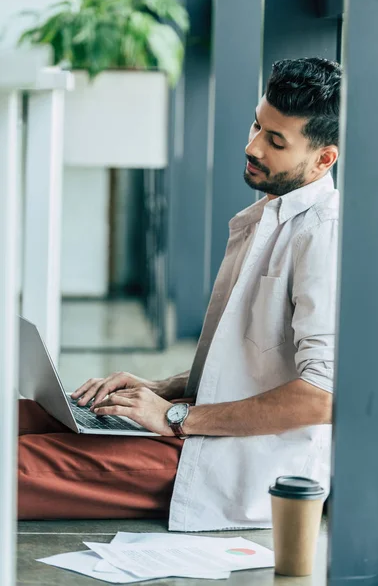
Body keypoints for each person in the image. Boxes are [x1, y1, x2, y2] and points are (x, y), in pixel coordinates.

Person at [19, 57, 341, 532]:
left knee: (15, 462)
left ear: (323, 159)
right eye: (257, 124)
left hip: (225, 459)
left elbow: (322, 397)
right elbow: (251, 366)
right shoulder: (270, 218)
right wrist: (158, 389)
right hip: (194, 429)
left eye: (275, 141)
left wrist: (174, 416)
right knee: (20, 415)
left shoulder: (322, 237)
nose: (252, 146)